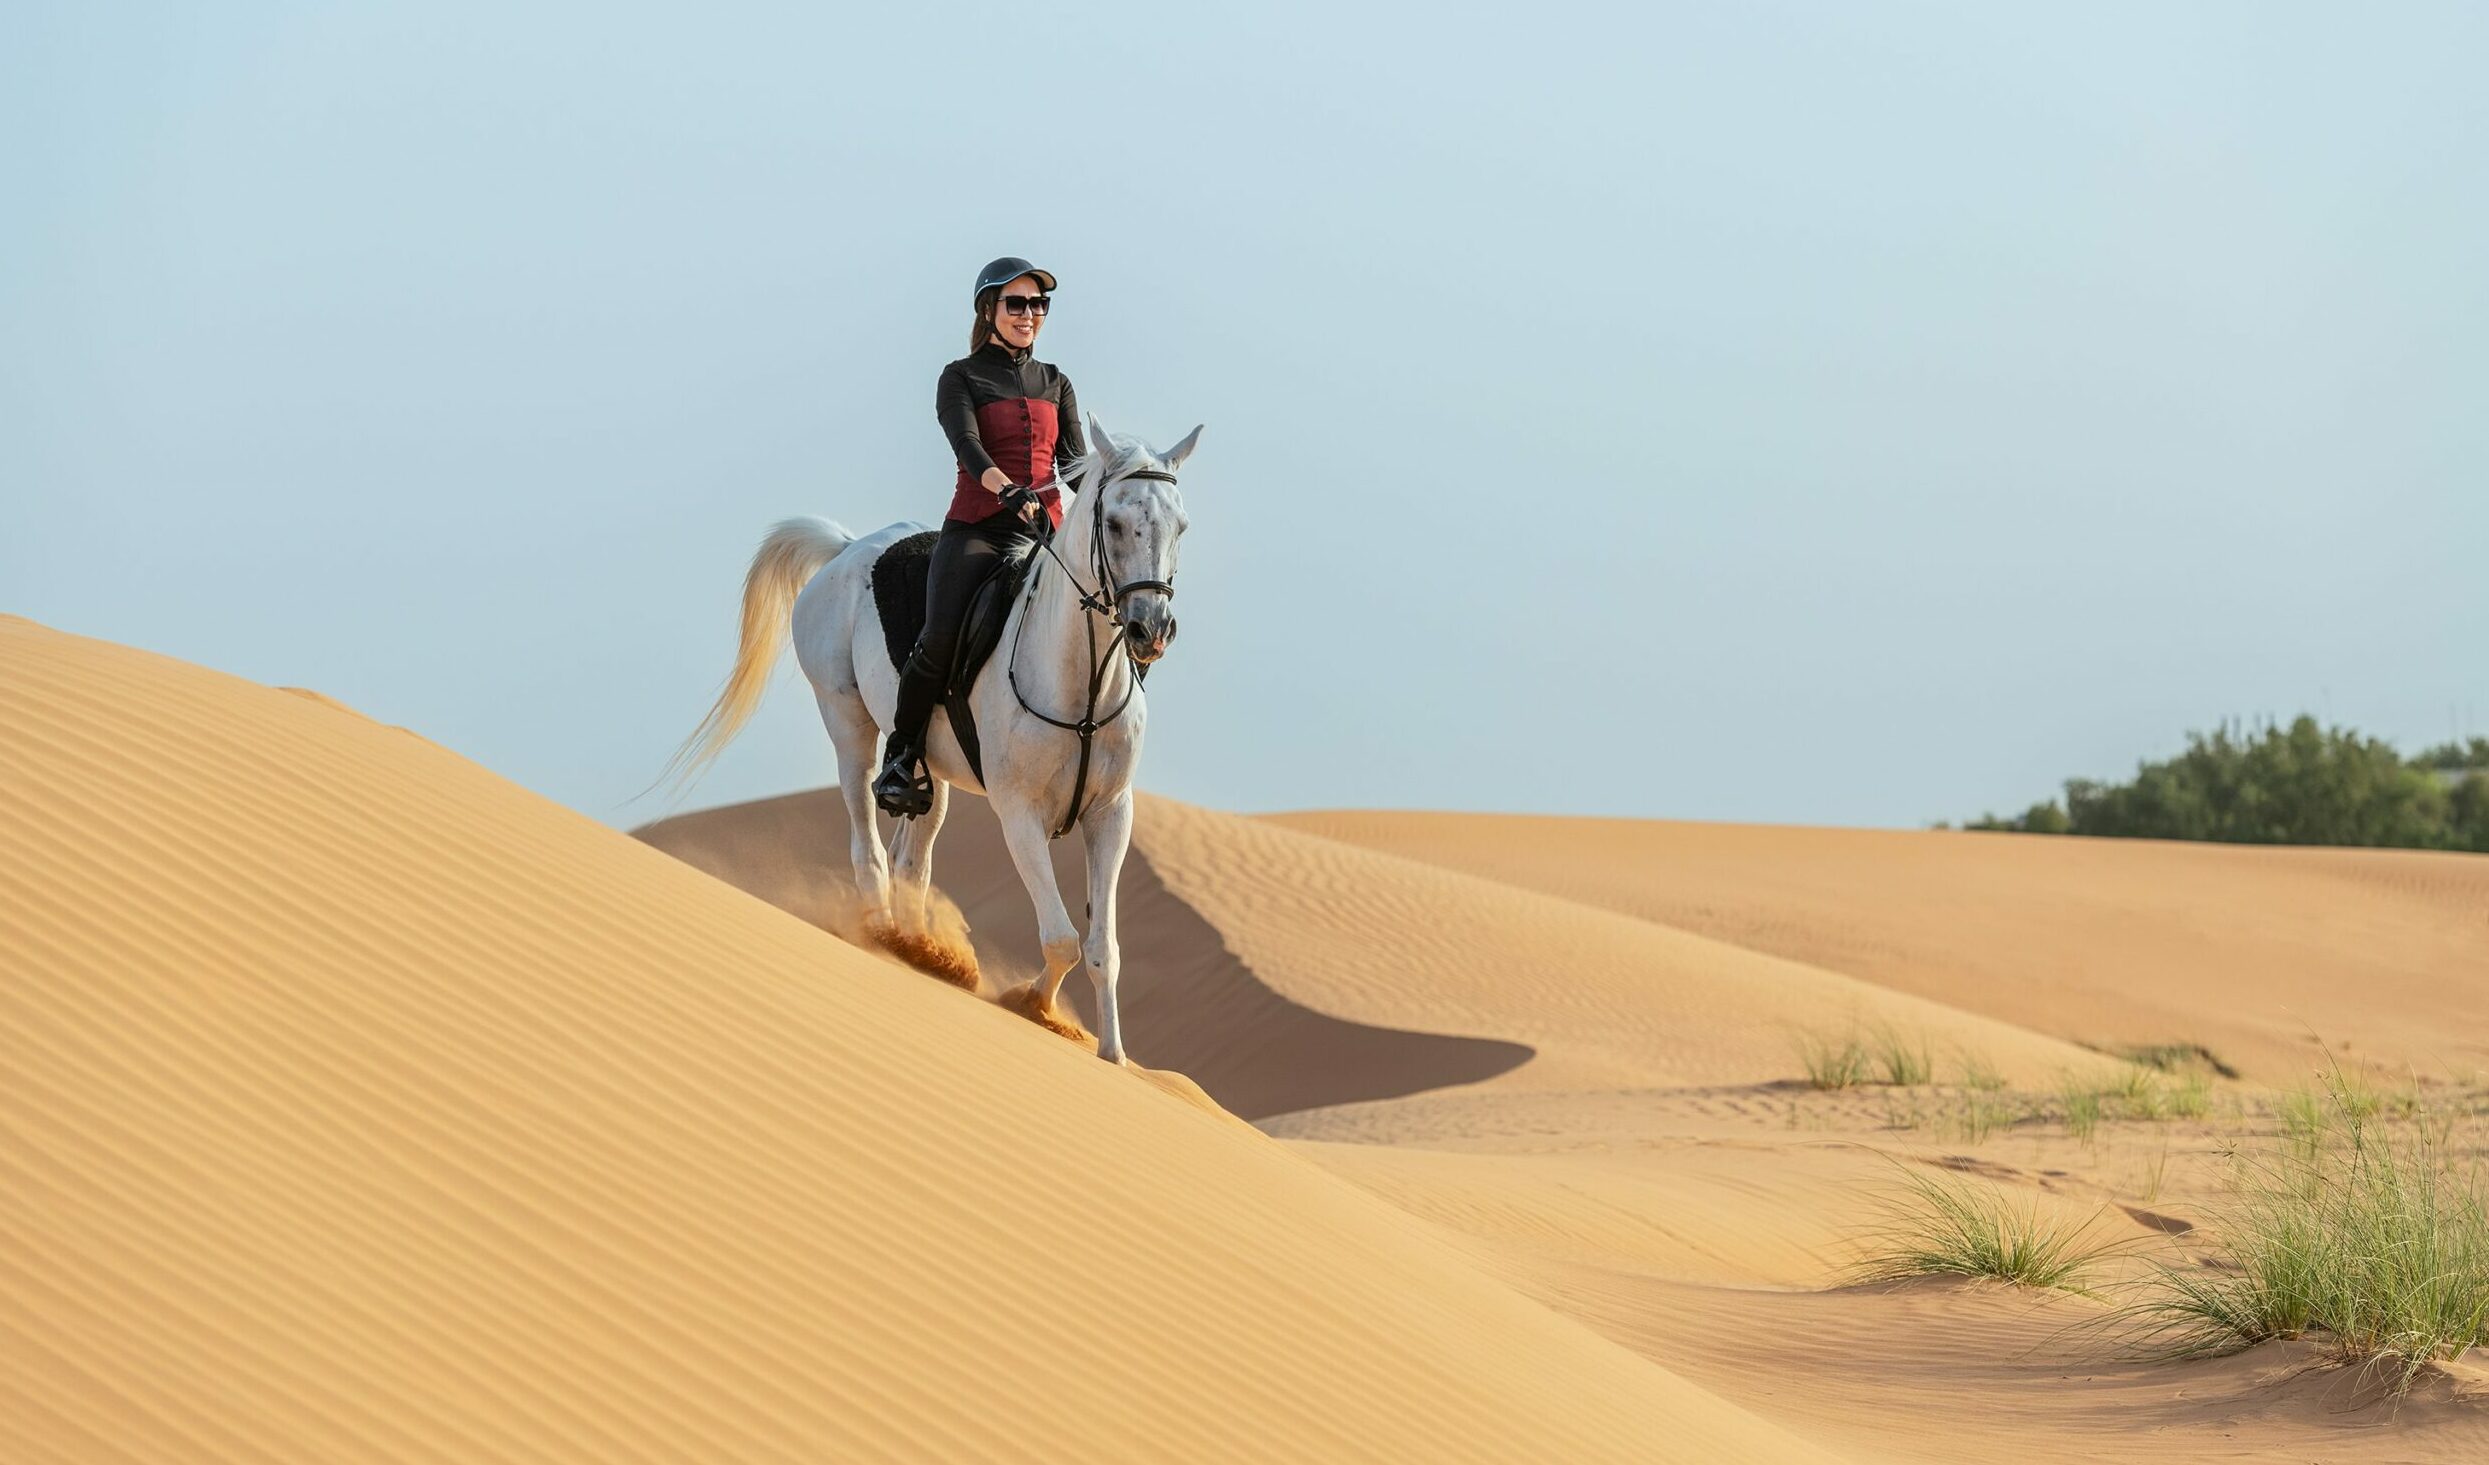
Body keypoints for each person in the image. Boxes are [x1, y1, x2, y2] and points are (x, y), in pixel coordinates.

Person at [872, 255, 1087, 817]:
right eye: (1016, 303)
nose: (1029, 314)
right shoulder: (960, 376)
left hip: (1048, 532)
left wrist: (1117, 490)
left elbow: (1076, 464)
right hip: (978, 529)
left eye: (1038, 304)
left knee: (1101, 616)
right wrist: (1006, 489)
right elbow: (967, 444)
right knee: (938, 640)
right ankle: (900, 756)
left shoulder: (1056, 381)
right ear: (988, 309)